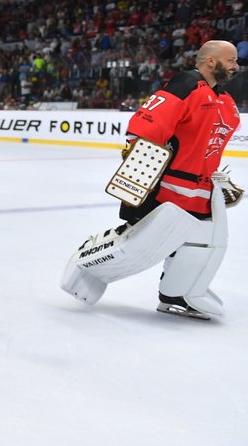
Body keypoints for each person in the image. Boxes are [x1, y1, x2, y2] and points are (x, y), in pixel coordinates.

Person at [60, 40, 242, 320]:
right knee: (138, 244)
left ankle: (178, 294)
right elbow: (147, 125)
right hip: (171, 186)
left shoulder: (225, 100)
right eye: (231, 60)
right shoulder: (187, 85)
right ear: (211, 61)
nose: (236, 65)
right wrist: (139, 165)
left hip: (202, 189)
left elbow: (206, 145)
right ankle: (84, 264)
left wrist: (218, 180)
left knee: (203, 242)